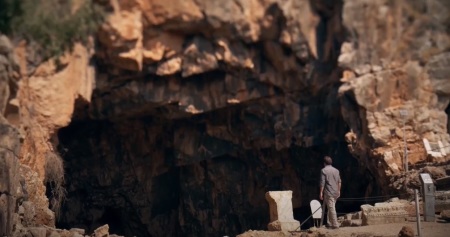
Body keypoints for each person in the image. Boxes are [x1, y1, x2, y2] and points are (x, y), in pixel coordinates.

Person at [319, 156, 341, 229]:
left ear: (324, 163)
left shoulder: (323, 170)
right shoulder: (336, 170)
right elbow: (339, 182)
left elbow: (322, 183)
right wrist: (339, 191)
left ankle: (335, 224)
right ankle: (329, 222)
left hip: (329, 192)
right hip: (336, 192)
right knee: (330, 206)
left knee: (331, 208)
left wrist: (321, 193)